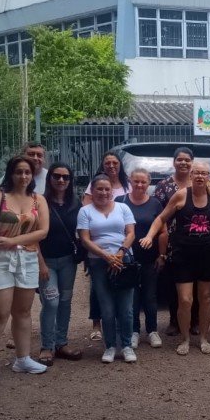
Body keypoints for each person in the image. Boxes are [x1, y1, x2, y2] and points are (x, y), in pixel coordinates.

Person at [0, 155, 50, 386]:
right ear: (11, 173)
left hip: (26, 257)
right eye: (19, 172)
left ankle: (23, 358)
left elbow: (43, 231)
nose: (24, 176)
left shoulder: (38, 200)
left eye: (27, 172)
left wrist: (14, 240)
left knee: (23, 312)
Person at [140, 161, 210, 356]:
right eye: (197, 173)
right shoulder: (182, 195)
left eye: (204, 173)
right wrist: (150, 236)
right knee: (185, 300)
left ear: (209, 176)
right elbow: (161, 218)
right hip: (183, 254)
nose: (200, 176)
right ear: (191, 175)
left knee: (206, 299)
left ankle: (203, 337)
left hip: (207, 254)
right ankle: (184, 338)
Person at [77, 174, 137, 364]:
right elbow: (85, 239)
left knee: (126, 308)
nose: (103, 192)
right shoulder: (85, 211)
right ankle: (110, 346)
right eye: (99, 189)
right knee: (107, 307)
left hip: (124, 260)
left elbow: (131, 233)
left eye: (107, 189)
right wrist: (106, 256)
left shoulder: (123, 207)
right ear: (92, 191)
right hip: (98, 263)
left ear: (112, 191)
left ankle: (126, 346)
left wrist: (119, 253)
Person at [37, 163, 83, 366]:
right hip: (46, 261)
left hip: (67, 261)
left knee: (65, 301)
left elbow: (83, 231)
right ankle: (47, 346)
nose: (61, 180)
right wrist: (40, 264)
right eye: (57, 176)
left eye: (66, 177)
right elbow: (34, 238)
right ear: (50, 179)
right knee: (51, 302)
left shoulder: (76, 204)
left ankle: (61, 343)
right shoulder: (40, 202)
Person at [84, 151, 130, 341]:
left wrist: (121, 251)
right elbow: (87, 213)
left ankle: (124, 331)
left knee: (123, 288)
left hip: (122, 247)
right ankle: (97, 324)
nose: (111, 166)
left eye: (115, 162)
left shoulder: (127, 184)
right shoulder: (93, 185)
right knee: (98, 288)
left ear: (120, 165)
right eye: (107, 163)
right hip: (98, 249)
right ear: (103, 166)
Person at [153, 147, 199, 337]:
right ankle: (174, 320)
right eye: (179, 159)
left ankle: (195, 321)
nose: (183, 163)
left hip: (197, 240)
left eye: (187, 160)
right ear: (174, 162)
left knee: (196, 282)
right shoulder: (164, 186)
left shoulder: (199, 183)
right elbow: (157, 213)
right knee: (173, 283)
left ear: (192, 162)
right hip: (171, 241)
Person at [119, 169, 165, 350]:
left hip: (150, 258)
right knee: (132, 297)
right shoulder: (120, 202)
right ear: (130, 181)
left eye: (143, 182)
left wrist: (162, 255)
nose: (139, 185)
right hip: (128, 258)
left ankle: (153, 330)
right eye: (136, 181)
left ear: (149, 183)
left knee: (150, 296)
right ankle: (134, 331)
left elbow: (163, 231)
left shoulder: (155, 204)